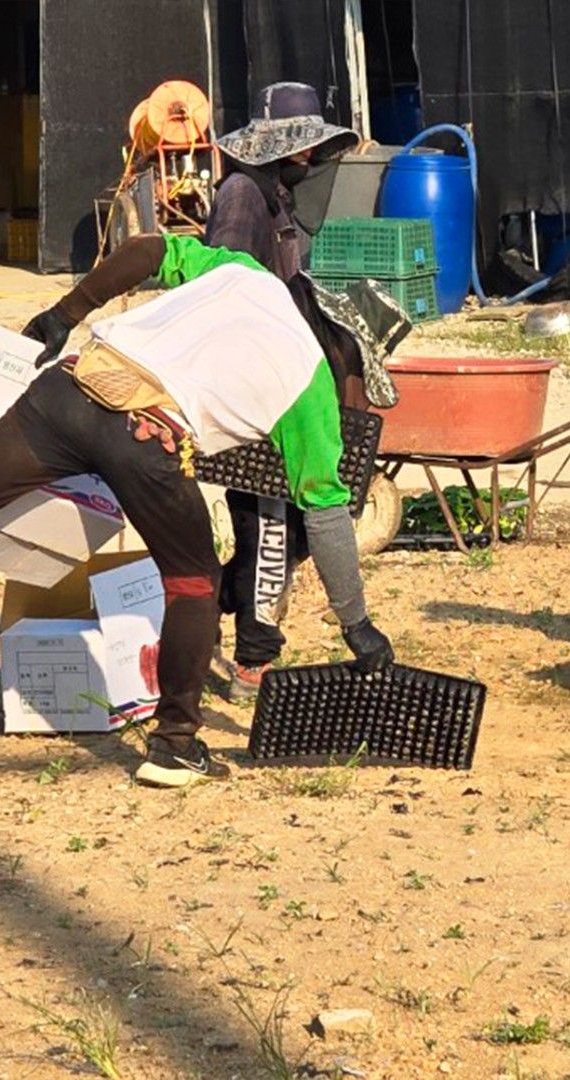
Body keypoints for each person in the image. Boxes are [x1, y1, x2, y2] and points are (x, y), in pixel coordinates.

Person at [8, 232, 395, 787]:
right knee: (194, 581)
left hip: (66, 390)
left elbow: (146, 251)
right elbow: (327, 512)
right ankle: (172, 746)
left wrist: (62, 313)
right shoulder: (310, 386)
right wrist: (356, 624)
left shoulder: (243, 275)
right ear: (343, 351)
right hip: (144, 440)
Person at [207, 82, 362, 702]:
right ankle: (253, 663)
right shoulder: (242, 195)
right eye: (303, 148)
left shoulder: (275, 192)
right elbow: (224, 287)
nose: (309, 159)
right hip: (260, 392)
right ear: (283, 148)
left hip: (286, 383)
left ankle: (196, 606)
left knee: (290, 531)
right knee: (269, 531)